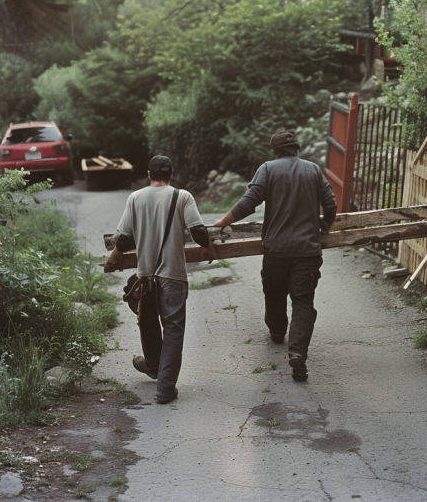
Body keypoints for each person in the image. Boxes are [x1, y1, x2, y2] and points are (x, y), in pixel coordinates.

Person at [213, 130, 337, 382]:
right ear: (297, 149)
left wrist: (222, 222)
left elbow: (250, 202)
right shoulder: (313, 170)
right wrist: (327, 224)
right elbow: (331, 203)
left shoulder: (268, 169)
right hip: (307, 251)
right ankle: (297, 354)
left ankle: (278, 332)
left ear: (275, 151)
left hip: (276, 250)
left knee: (274, 291)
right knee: (303, 301)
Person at [104, 155, 216, 404]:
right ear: (172, 174)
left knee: (149, 323)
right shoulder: (182, 196)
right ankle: (164, 387)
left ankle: (155, 367)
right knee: (173, 330)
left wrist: (115, 256)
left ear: (149, 174)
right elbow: (197, 230)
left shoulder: (135, 198)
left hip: (146, 277)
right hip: (174, 276)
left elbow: (123, 239)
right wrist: (208, 247)